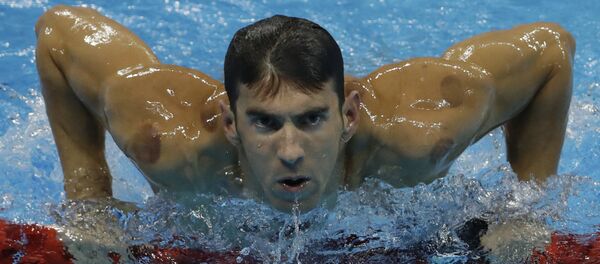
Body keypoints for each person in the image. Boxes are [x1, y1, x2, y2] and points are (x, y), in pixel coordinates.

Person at [35, 5, 574, 212]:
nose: (290, 151)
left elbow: (551, 49)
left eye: (312, 118)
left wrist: (526, 210)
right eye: (265, 123)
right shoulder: (170, 141)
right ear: (229, 122)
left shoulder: (417, 134)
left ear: (350, 116)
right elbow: (57, 32)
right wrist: (89, 197)